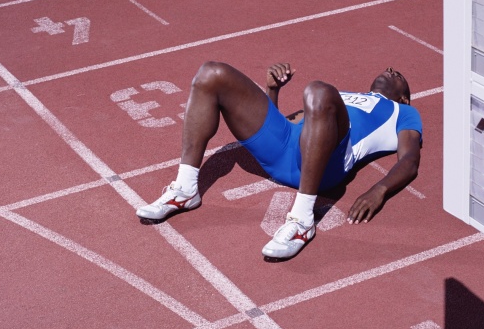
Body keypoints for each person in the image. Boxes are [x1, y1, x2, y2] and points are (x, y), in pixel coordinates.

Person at [136, 61, 423, 260]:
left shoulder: (403, 113)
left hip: (325, 168)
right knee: (211, 73)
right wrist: (272, 91)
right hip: (285, 150)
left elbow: (409, 160)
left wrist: (380, 190)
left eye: (396, 74)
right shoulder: (343, 96)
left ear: (405, 97)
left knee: (318, 90)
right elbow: (285, 124)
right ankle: (185, 189)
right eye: (389, 69)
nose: (388, 70)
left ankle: (302, 221)